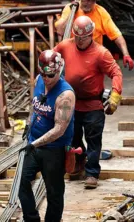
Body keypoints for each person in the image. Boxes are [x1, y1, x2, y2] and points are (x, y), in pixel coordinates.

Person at [53, 15, 123, 189]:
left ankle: (92, 173)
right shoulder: (65, 46)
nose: (80, 41)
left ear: (91, 35)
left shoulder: (101, 53)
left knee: (93, 139)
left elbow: (116, 72)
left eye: (83, 38)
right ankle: (79, 161)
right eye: (77, 37)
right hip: (72, 104)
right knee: (73, 137)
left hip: (93, 105)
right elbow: (51, 58)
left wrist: (115, 95)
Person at [19, 50, 75, 222]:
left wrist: (34, 144)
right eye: (43, 74)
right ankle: (32, 219)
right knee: (22, 184)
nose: (46, 79)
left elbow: (59, 129)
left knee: (54, 192)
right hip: (34, 143)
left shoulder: (66, 96)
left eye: (50, 75)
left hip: (54, 149)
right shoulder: (39, 80)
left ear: (58, 71)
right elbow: (34, 105)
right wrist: (29, 125)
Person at [54, 0, 134, 71]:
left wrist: (126, 54)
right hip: (73, 57)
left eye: (92, 1)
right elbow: (60, 30)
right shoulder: (71, 9)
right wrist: (71, 13)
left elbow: (117, 35)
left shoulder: (101, 12)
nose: (88, 3)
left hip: (93, 59)